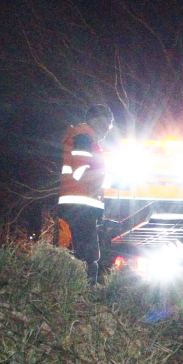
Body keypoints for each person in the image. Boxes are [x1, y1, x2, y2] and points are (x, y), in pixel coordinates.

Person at [57, 104, 113, 285]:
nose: (107, 129)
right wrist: (101, 182)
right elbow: (80, 171)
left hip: (80, 205)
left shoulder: (85, 138)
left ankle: (78, 292)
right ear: (97, 120)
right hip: (81, 205)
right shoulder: (84, 137)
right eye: (107, 124)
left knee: (83, 252)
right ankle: (84, 295)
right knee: (88, 255)